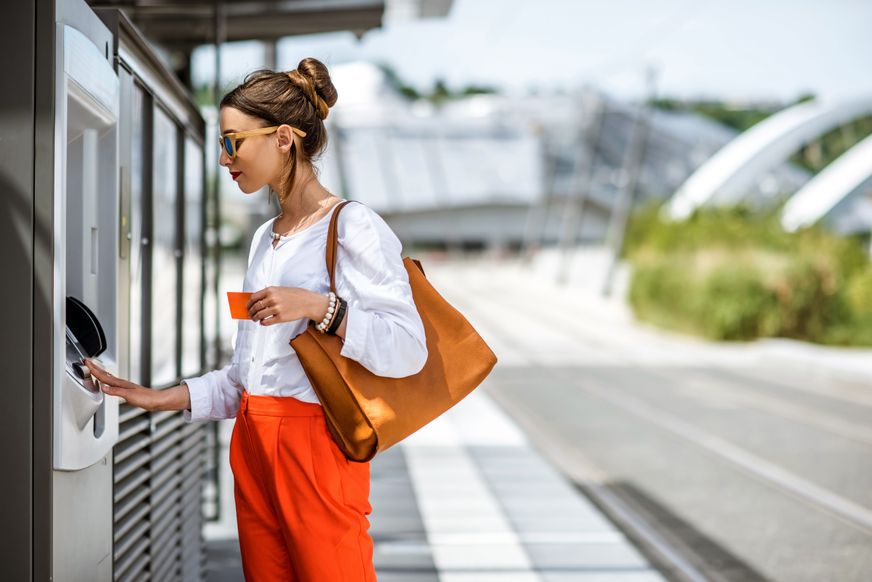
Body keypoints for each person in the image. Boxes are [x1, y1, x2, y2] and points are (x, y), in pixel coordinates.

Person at [84, 58, 428, 582]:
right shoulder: (264, 239)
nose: (225, 159)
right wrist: (158, 397)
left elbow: (408, 348)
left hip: (314, 447)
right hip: (251, 440)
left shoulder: (352, 226)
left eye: (233, 142)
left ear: (283, 138)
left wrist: (320, 308)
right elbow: (247, 378)